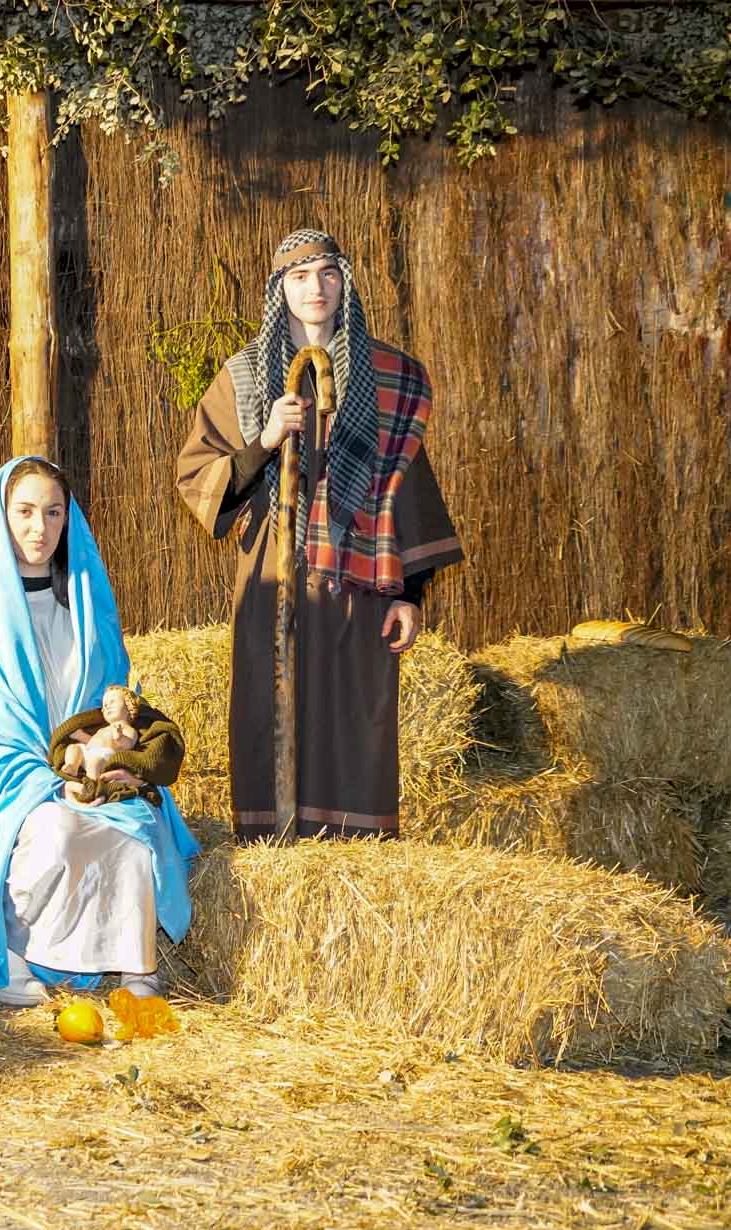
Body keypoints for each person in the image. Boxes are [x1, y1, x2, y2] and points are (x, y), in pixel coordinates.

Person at [174, 228, 464, 840]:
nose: (316, 288)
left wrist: (411, 595)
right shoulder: (244, 376)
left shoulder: (386, 375)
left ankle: (349, 850)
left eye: (328, 273)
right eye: (301, 276)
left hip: (357, 577)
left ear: (344, 283)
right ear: (279, 288)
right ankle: (273, 845)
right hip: (270, 569)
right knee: (268, 706)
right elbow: (199, 476)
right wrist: (266, 439)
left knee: (353, 713)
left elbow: (407, 484)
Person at [0, 457, 201, 1007]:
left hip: (93, 769)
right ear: (1, 517)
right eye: (25, 512)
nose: (39, 529)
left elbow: (112, 701)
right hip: (15, 775)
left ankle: (135, 967)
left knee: (132, 829)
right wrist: (58, 776)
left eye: (53, 513)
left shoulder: (86, 604)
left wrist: (111, 754)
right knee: (56, 831)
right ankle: (14, 956)